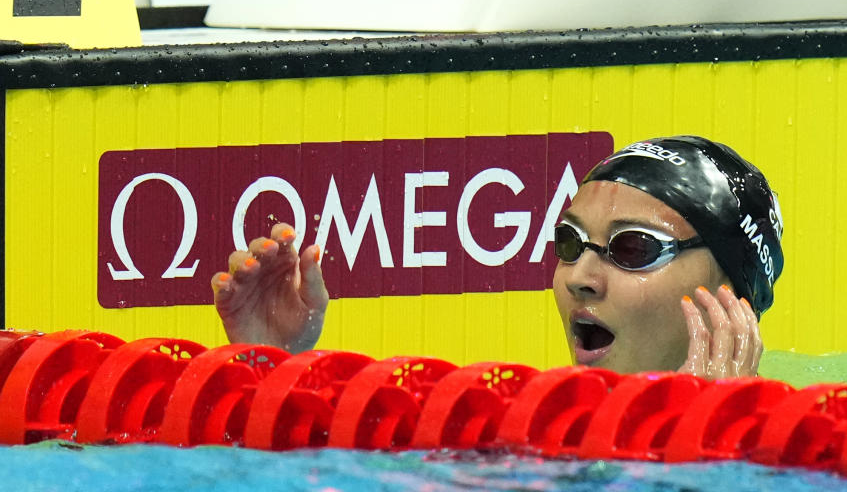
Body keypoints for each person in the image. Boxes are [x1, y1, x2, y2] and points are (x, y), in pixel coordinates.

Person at [211, 136, 784, 379]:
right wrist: (270, 364)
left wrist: (714, 450)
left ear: (731, 292)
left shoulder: (800, 455)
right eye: (568, 243)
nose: (580, 278)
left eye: (631, 248)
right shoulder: (528, 428)